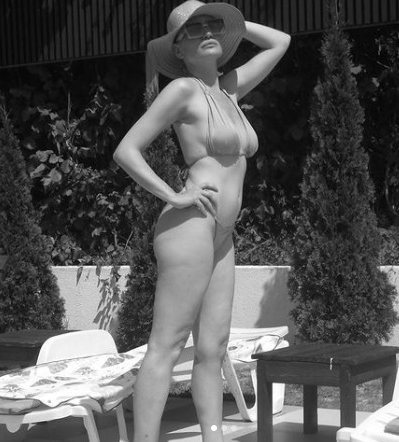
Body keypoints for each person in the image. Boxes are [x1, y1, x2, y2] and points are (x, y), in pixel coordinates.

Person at [113, 1, 290, 441]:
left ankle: (213, 435)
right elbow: (126, 150)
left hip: (222, 234)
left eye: (214, 25)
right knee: (167, 345)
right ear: (178, 48)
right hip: (190, 226)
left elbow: (280, 42)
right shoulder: (183, 89)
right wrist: (174, 194)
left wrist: (233, 25)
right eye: (194, 29)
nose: (207, 32)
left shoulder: (229, 90)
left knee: (213, 349)